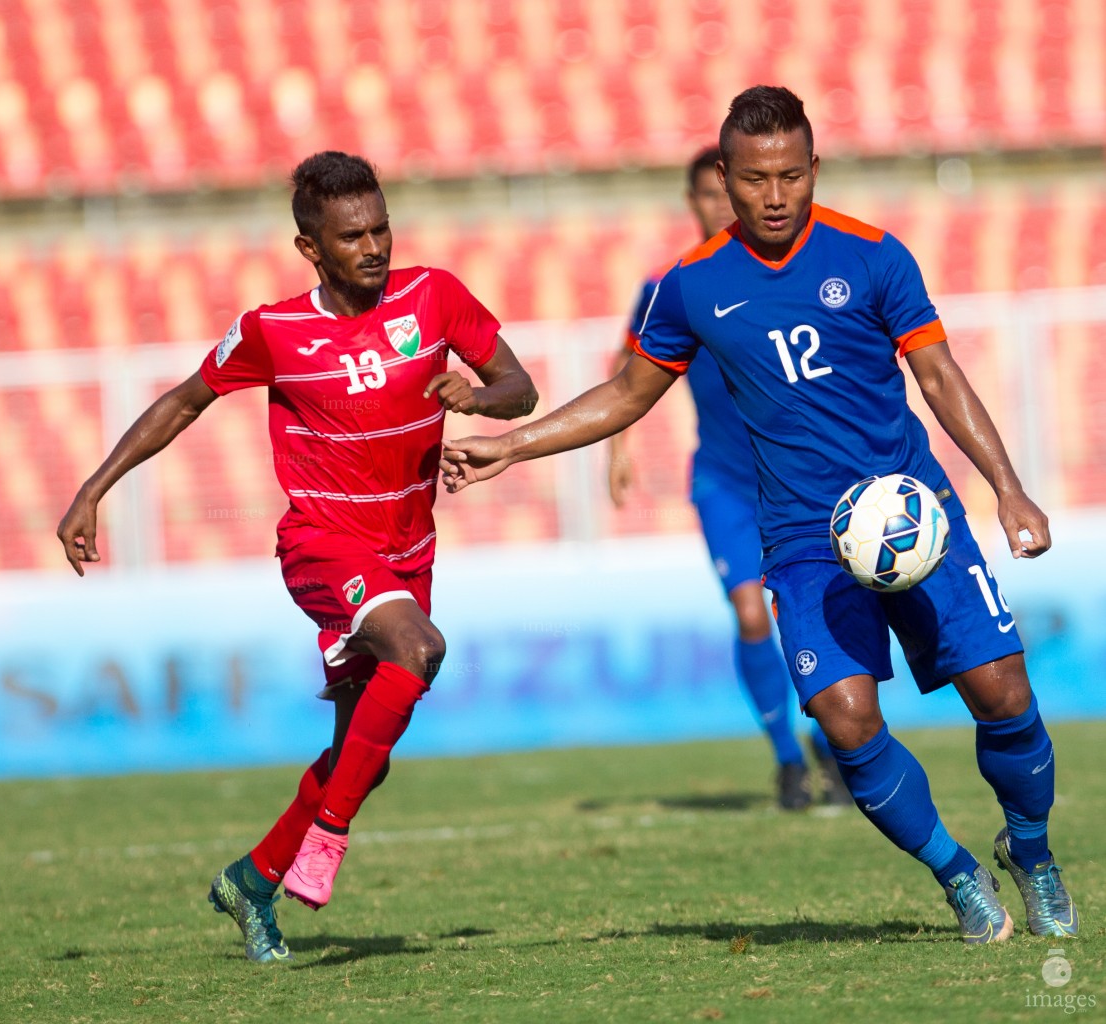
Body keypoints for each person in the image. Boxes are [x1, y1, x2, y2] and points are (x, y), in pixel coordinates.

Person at [442, 87, 1077, 944]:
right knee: (848, 722)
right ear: (724, 180)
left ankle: (1031, 855)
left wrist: (1005, 486)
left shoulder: (875, 255)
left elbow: (938, 375)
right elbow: (627, 395)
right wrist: (511, 446)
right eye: (752, 180)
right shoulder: (690, 286)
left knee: (1002, 693)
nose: (773, 197)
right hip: (804, 541)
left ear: (812, 168)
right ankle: (959, 876)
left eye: (789, 176)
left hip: (913, 516)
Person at [57, 151, 537, 963]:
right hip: (322, 543)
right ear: (310, 247)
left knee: (363, 756)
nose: (374, 247)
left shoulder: (435, 296)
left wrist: (479, 397)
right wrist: (93, 489)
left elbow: (517, 387)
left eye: (381, 227)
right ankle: (327, 840)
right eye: (351, 236)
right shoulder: (273, 330)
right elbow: (181, 400)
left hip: (407, 548)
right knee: (420, 649)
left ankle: (250, 880)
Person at [609, 146, 849, 811]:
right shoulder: (674, 285)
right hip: (723, 482)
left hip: (799, 483)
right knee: (750, 612)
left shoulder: (785, 273)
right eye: (707, 198)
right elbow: (627, 363)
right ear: (697, 200)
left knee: (809, 616)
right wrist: (617, 446)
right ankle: (786, 762)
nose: (718, 208)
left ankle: (834, 745)